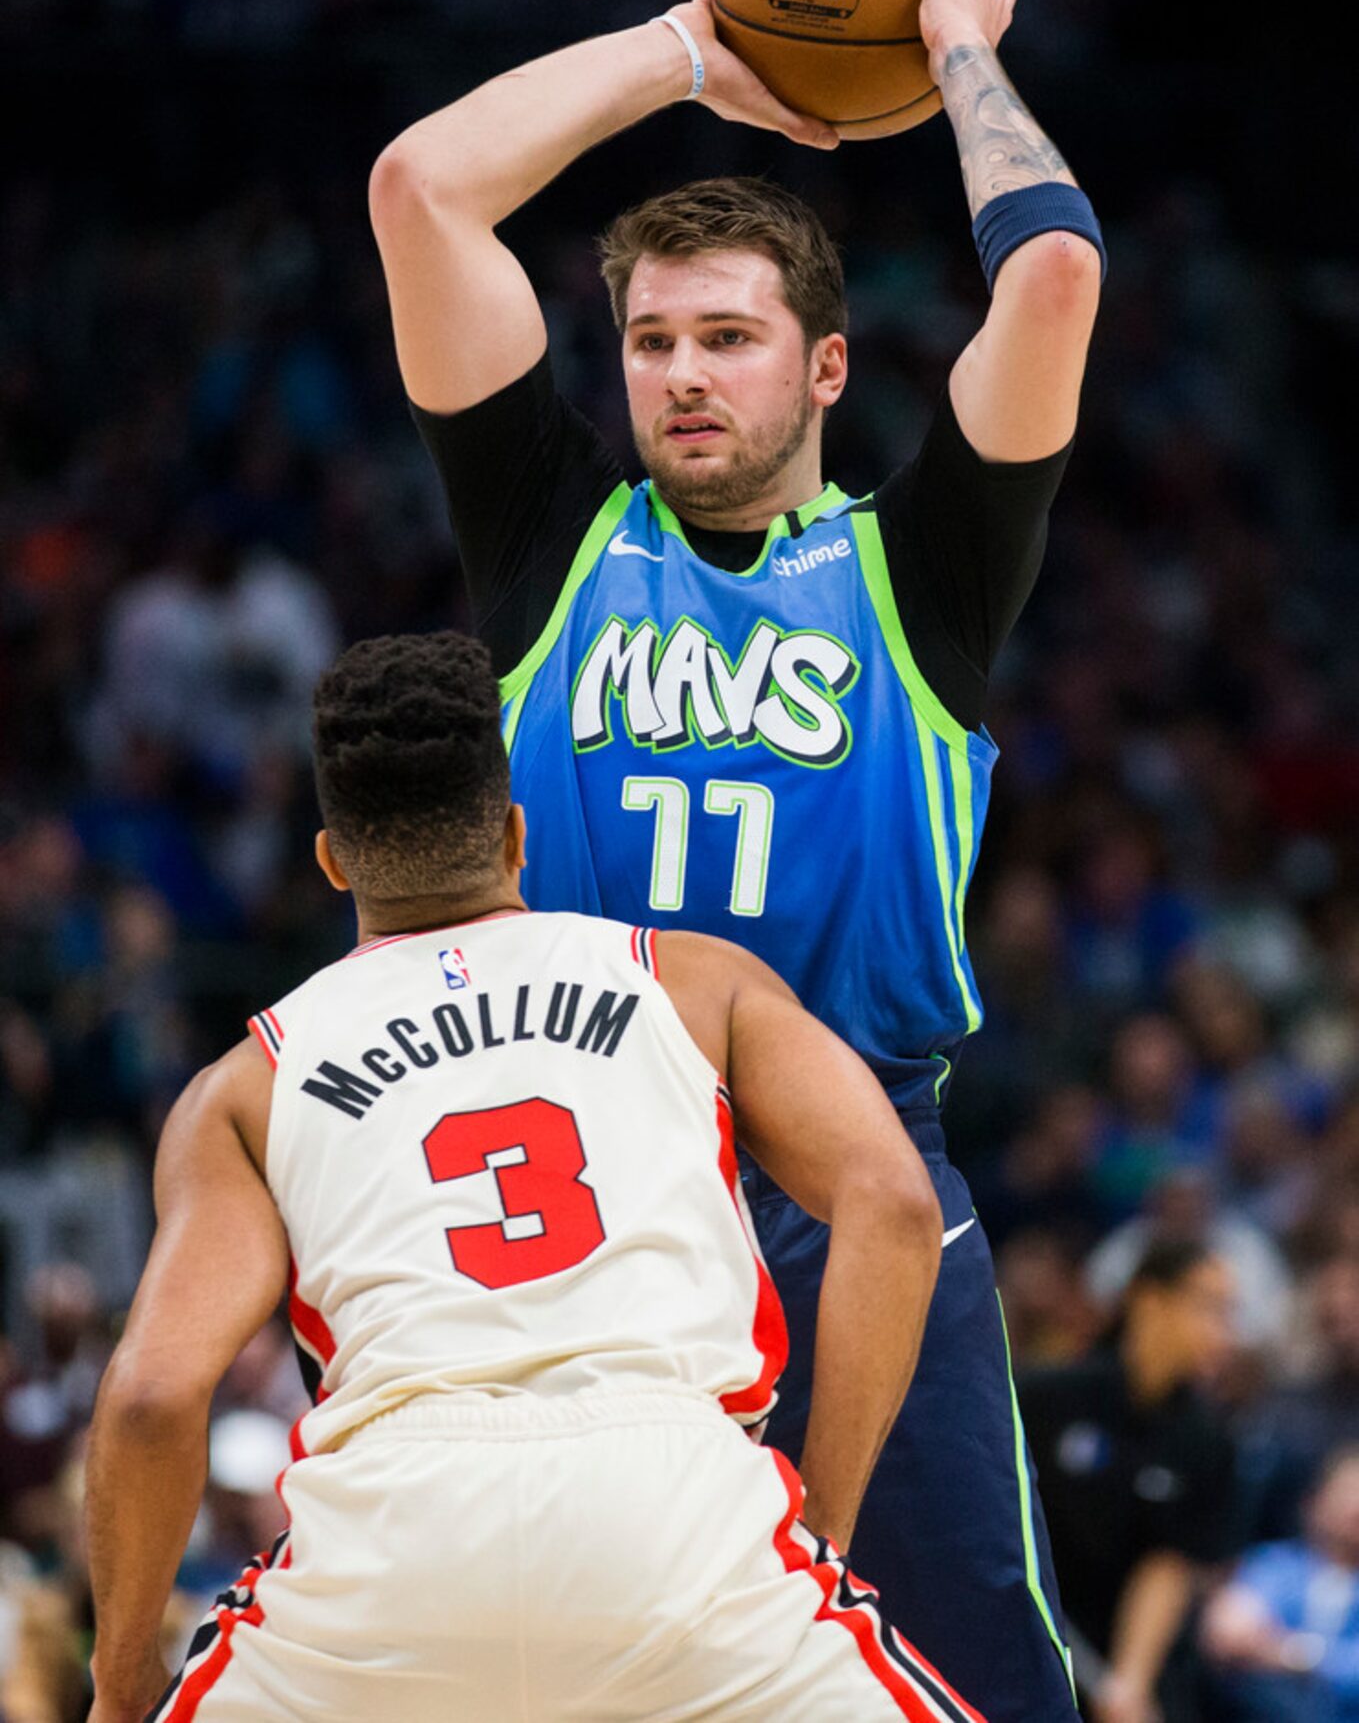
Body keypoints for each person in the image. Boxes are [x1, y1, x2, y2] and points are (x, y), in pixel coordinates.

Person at [368, 0, 1102, 1721]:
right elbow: (419, 190)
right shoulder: (551, 532)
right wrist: (687, 46)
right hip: (591, 1173)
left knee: (967, 1676)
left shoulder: (923, 566)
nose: (681, 376)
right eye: (649, 341)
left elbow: (1055, 275)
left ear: (826, 364)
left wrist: (953, 56)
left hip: (850, 1174)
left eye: (727, 336)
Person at [84, 631, 971, 1723]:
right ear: (513, 832)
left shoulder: (247, 1082)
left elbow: (151, 1397)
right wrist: (820, 1533)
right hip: (678, 1511)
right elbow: (895, 1203)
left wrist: (120, 1685)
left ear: (330, 860)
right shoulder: (688, 980)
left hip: (390, 1545)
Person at [1018, 1238, 1241, 1723]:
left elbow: (1168, 1565)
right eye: (1211, 1307)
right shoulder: (1045, 1398)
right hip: (1030, 1635)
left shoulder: (1208, 1441)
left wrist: (1129, 1683)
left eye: (1230, 1314)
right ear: (1148, 1299)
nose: (1223, 1333)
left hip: (1133, 1663)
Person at [1203, 1443, 1359, 1722]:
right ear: (1314, 1502)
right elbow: (1228, 1635)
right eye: (1347, 1491)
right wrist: (1327, 1659)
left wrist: (1288, 1651)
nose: (1355, 1506)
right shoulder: (1272, 1564)